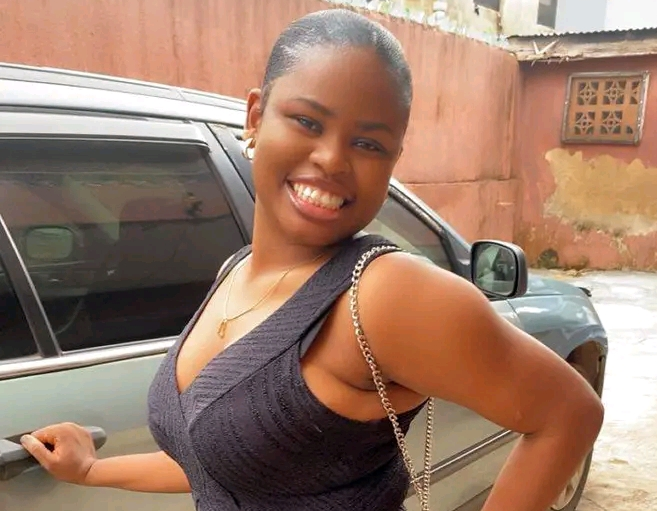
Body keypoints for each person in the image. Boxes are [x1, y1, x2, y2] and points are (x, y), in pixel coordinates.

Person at [20, 8, 603, 511]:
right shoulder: (235, 272)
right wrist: (92, 470)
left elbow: (569, 414)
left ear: (394, 157)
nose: (331, 159)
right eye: (307, 121)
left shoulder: (385, 294)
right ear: (255, 117)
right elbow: (221, 463)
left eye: (368, 143)